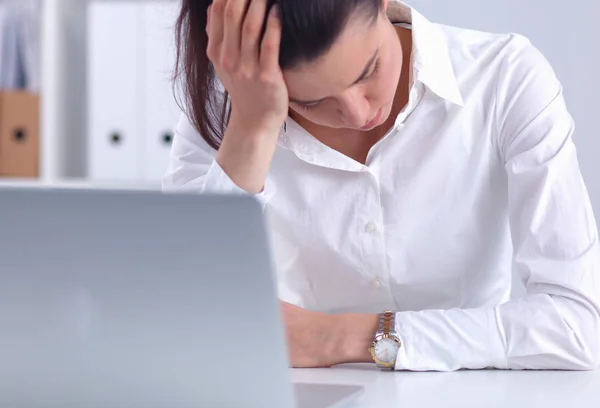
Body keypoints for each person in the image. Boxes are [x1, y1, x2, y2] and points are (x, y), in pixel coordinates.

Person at [163, 0, 600, 372]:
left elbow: (577, 324)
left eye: (368, 70)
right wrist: (254, 130)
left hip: (472, 399)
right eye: (310, 102)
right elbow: (178, 325)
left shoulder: (503, 78)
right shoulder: (225, 118)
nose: (357, 113)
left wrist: (336, 338)